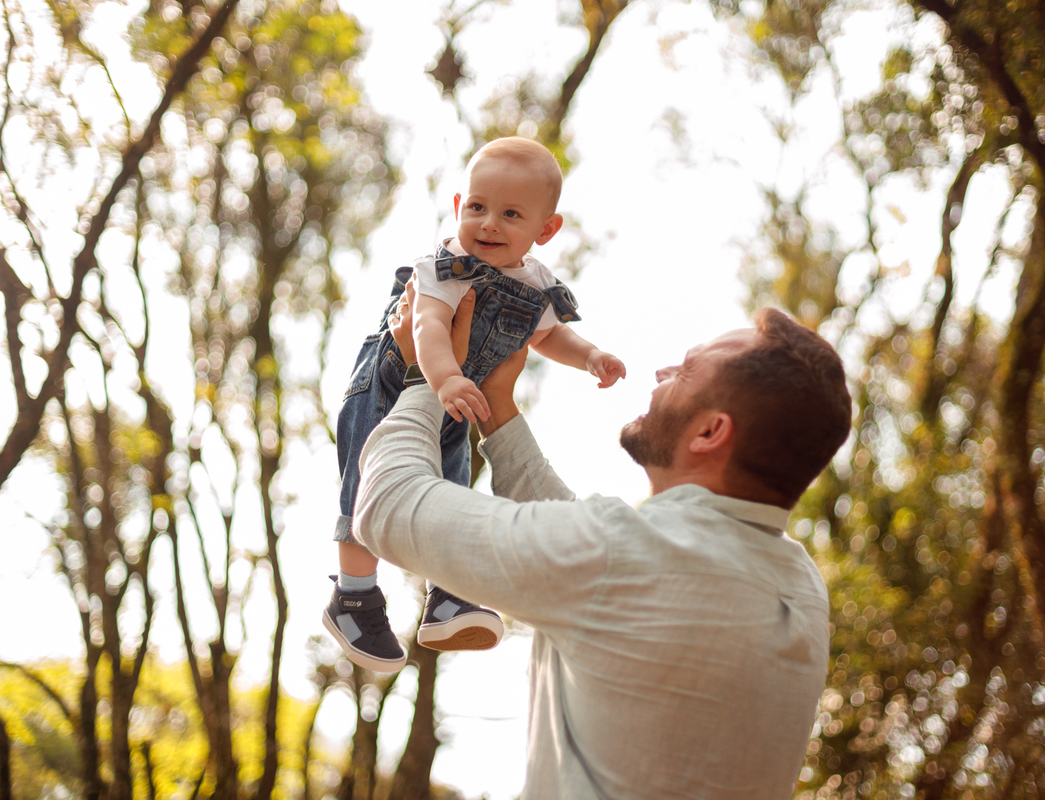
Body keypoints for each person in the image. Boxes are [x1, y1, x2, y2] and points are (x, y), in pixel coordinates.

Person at [352, 291, 852, 799]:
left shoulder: (622, 556)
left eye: (685, 372)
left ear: (709, 431)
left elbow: (388, 503)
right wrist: (497, 408)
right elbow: (593, 570)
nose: (661, 372)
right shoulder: (802, 589)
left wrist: (425, 375)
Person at [325, 136, 627, 673]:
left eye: (511, 214)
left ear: (545, 230)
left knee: (451, 483)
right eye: (478, 207)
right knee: (367, 481)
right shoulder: (447, 267)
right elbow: (428, 325)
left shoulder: (535, 284)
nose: (488, 224)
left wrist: (590, 357)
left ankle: (447, 596)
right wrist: (443, 379)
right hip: (394, 382)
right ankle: (354, 595)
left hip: (456, 399)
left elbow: (549, 336)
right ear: (459, 206)